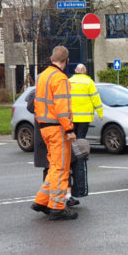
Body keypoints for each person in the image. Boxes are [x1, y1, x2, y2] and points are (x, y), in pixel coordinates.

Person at [30, 46, 78, 220]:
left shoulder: (41, 77)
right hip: (57, 128)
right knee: (61, 167)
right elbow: (63, 108)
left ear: (51, 59)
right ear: (67, 60)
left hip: (44, 127)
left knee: (53, 166)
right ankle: (57, 207)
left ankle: (42, 200)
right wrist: (70, 129)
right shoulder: (61, 79)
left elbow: (37, 103)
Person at [69, 63, 103, 139]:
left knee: (72, 138)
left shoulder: (69, 82)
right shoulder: (89, 82)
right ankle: (79, 150)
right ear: (85, 71)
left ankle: (73, 150)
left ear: (75, 71)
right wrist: (100, 113)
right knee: (81, 137)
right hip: (85, 117)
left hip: (71, 117)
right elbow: (96, 99)